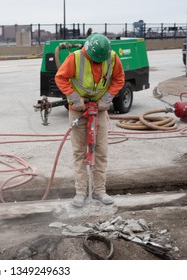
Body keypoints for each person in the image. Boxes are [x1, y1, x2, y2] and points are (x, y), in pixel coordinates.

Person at [55, 33, 125, 208]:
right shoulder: (76, 57)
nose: (97, 62)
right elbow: (60, 77)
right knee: (79, 152)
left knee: (101, 151)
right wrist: (75, 99)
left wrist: (107, 99)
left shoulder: (112, 58)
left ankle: (99, 191)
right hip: (78, 110)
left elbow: (119, 79)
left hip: (99, 109)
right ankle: (81, 192)